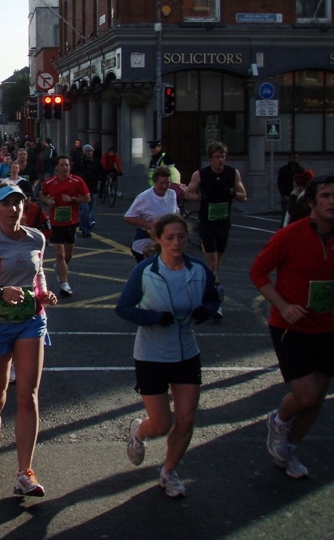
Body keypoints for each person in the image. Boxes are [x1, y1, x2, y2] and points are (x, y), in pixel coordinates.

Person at [115, 213, 221, 498]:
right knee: (162, 423)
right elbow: (123, 307)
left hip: (187, 352)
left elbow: (214, 296)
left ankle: (169, 471)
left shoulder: (198, 270)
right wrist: (152, 317)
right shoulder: (146, 271)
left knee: (186, 420)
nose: (176, 243)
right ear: (158, 239)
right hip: (151, 354)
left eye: (181, 237)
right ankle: (139, 431)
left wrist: (207, 311)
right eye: (170, 238)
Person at [0, 182, 58, 497]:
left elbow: (38, 272)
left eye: (18, 202)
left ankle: (24, 473)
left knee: (28, 395)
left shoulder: (37, 237)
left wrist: (43, 293)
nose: (12, 208)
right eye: (5, 203)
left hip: (30, 320)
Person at [249, 173, 334, 480]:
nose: (332, 201)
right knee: (307, 395)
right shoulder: (290, 235)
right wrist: (283, 305)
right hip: (290, 326)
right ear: (311, 202)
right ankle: (279, 420)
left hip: (327, 326)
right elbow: (258, 272)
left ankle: (292, 448)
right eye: (325, 195)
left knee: (317, 399)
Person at [184, 141, 247, 318]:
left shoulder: (232, 173)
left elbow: (244, 196)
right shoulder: (201, 174)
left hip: (223, 222)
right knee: (211, 264)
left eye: (223, 157)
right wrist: (200, 196)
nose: (221, 160)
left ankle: (203, 291)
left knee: (216, 264)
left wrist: (233, 193)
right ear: (210, 158)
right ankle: (214, 302)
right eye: (217, 157)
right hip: (207, 222)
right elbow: (188, 193)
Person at [39, 155, 90, 297]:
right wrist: (48, 201)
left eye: (67, 165)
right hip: (55, 222)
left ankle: (59, 267)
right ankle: (64, 284)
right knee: (60, 254)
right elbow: (42, 195)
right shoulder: (50, 182)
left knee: (68, 254)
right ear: (57, 167)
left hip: (71, 222)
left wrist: (73, 199)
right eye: (62, 165)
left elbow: (87, 197)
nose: (65, 168)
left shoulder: (77, 181)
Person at [123, 166, 178, 263]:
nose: (165, 186)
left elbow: (176, 214)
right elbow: (128, 217)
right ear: (154, 182)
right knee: (148, 274)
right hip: (145, 243)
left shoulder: (172, 194)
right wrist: (150, 224)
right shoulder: (144, 197)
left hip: (166, 243)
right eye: (161, 183)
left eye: (167, 183)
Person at [74, 144, 102, 237]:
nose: (90, 153)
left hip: (93, 188)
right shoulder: (80, 162)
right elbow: (74, 173)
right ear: (84, 152)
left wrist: (95, 177)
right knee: (85, 209)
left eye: (91, 151)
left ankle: (85, 225)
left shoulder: (96, 162)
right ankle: (85, 228)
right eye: (88, 151)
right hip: (82, 190)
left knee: (90, 209)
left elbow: (101, 174)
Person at [277, 154, 305, 227]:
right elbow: (280, 183)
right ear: (289, 158)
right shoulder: (284, 170)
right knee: (285, 216)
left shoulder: (300, 170)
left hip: (298, 196)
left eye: (297, 158)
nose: (295, 160)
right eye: (293, 158)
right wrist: (283, 195)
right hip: (287, 195)